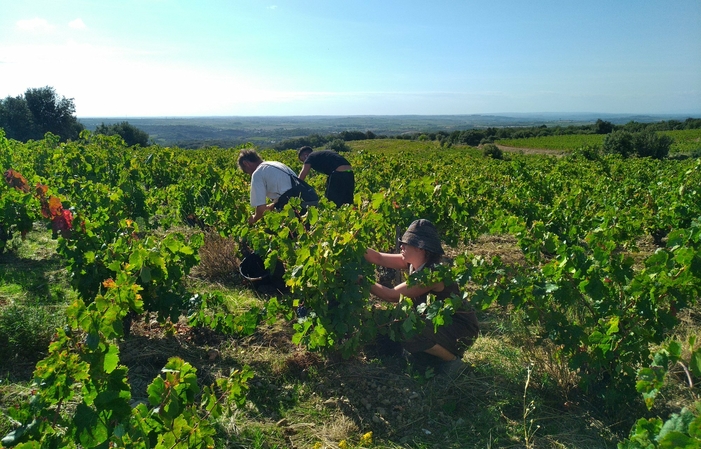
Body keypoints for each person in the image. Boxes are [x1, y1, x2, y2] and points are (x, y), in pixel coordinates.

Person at [363, 219, 479, 377]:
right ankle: (428, 355)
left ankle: (453, 362)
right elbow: (378, 258)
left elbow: (390, 295)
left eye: (407, 243)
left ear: (421, 248)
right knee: (392, 323)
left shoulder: (432, 275)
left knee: (409, 328)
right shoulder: (413, 262)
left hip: (459, 329)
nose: (401, 246)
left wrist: (360, 280)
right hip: (439, 323)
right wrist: (351, 245)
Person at [238, 149, 317, 225]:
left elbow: (261, 209)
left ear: (246, 163)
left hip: (294, 210)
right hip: (308, 202)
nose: (249, 175)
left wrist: (254, 219)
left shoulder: (257, 173)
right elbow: (287, 189)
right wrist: (273, 204)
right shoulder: (276, 164)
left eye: (247, 172)